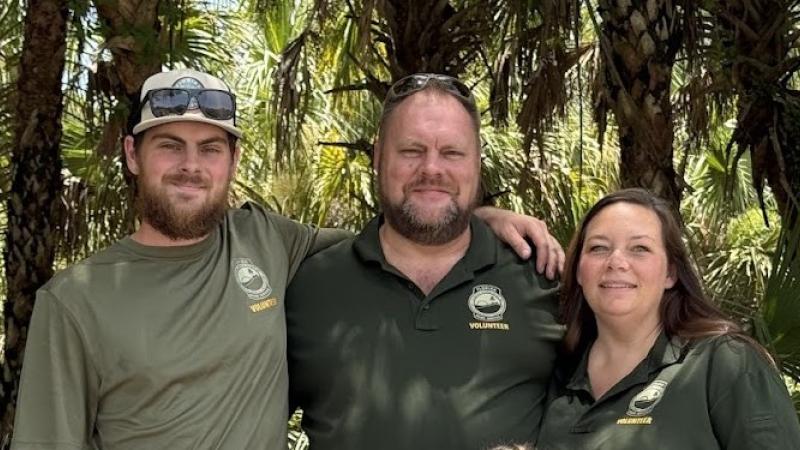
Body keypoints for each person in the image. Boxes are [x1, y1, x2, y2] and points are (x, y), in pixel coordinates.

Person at [10, 69, 562, 449]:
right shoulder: (76, 299)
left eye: (210, 148)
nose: (190, 165)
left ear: (232, 159)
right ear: (133, 154)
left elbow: (410, 226)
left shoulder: (267, 243)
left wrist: (481, 216)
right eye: (168, 145)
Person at [285, 74, 564, 450]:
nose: (432, 169)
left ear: (476, 163)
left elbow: (608, 413)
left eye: (452, 153)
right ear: (378, 155)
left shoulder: (543, 278)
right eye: (412, 151)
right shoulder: (308, 286)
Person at [536, 188, 800, 450]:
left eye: (639, 248)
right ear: (579, 271)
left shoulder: (725, 361)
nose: (616, 261)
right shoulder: (556, 372)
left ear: (670, 273)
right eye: (598, 248)